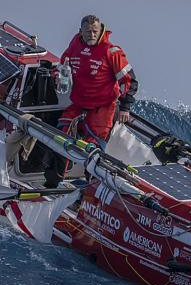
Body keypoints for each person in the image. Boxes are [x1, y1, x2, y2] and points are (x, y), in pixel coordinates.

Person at [43, 14, 138, 188]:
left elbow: (129, 80)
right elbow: (64, 62)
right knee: (59, 136)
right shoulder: (75, 43)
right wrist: (58, 75)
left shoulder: (111, 51)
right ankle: (53, 182)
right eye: (88, 32)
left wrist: (125, 107)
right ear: (81, 32)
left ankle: (92, 187)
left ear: (101, 30)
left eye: (95, 31)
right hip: (78, 104)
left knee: (92, 150)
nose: (92, 35)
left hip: (103, 108)